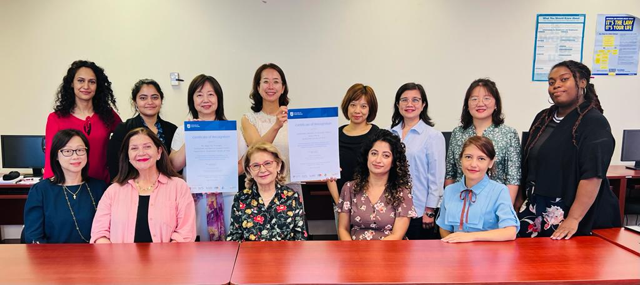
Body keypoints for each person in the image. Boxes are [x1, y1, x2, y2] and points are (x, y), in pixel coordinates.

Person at [517, 60, 621, 239]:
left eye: (563, 79)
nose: (556, 85)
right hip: (538, 205)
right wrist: (520, 201)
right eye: (551, 82)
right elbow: (528, 163)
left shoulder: (593, 122)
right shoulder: (543, 118)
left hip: (574, 213)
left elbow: (593, 175)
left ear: (582, 82)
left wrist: (573, 218)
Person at [169, 74, 244, 241]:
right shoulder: (182, 130)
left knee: (229, 247)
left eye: (211, 94)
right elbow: (174, 166)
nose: (205, 99)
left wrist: (222, 173)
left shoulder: (231, 130)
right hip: (195, 198)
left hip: (226, 197)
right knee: (197, 250)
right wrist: (193, 136)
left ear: (218, 98)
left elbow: (242, 165)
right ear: (192, 100)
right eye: (199, 94)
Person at [91, 128, 196, 243]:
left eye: (147, 147)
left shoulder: (179, 187)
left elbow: (185, 233)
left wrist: (165, 258)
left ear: (159, 152)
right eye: (134, 148)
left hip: (167, 260)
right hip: (121, 260)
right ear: (128, 156)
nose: (141, 153)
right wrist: (116, 258)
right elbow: (99, 233)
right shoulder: (113, 191)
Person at [24, 129, 107, 243]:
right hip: (54, 258)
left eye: (80, 150)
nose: (75, 156)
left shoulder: (100, 188)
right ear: (56, 156)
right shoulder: (40, 191)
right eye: (67, 151)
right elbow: (34, 237)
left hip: (93, 257)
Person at [45, 60, 121, 183]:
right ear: (71, 84)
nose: (86, 86)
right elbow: (50, 157)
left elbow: (125, 144)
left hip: (103, 186)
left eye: (92, 82)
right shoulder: (56, 118)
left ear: (98, 86)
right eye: (80, 81)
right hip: (69, 187)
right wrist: (50, 187)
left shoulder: (108, 115)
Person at [445, 79, 521, 203]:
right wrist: (449, 204)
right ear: (467, 105)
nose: (480, 103)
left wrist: (505, 210)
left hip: (494, 203)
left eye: (486, 98)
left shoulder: (509, 134)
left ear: (496, 104)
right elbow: (450, 173)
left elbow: (513, 178)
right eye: (474, 99)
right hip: (461, 201)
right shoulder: (458, 133)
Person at [337, 129, 416, 240]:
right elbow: (343, 229)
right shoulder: (350, 188)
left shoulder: (402, 192)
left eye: (386, 156)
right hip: (355, 252)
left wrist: (371, 255)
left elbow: (397, 235)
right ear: (367, 156)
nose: (378, 160)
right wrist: (353, 253)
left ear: (393, 162)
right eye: (374, 153)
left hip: (389, 252)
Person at [437, 136, 519, 242]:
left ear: (490, 163)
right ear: (460, 159)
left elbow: (510, 232)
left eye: (481, 159)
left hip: (489, 254)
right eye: (468, 157)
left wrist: (470, 237)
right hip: (456, 254)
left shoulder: (499, 191)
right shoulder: (450, 190)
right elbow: (444, 228)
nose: (473, 164)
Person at [390, 83, 445, 240]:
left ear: (423, 105)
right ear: (397, 104)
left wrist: (430, 210)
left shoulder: (433, 136)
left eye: (415, 100)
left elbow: (437, 176)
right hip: (389, 209)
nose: (409, 104)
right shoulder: (388, 133)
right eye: (404, 100)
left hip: (419, 210)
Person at [227, 142, 307, 241]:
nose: (262, 170)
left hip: (285, 256)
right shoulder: (241, 198)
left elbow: (300, 238)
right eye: (256, 165)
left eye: (267, 163)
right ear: (249, 170)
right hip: (250, 256)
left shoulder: (292, 197)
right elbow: (234, 239)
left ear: (278, 165)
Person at [241, 63, 301, 194]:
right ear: (258, 87)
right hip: (260, 188)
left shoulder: (296, 120)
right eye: (266, 82)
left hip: (292, 187)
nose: (271, 87)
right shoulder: (249, 119)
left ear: (283, 87)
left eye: (276, 82)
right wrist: (276, 125)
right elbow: (256, 151)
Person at [107, 79, 177, 181]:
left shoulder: (172, 129)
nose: (150, 102)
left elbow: (175, 166)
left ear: (161, 100)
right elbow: (115, 164)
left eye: (155, 97)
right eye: (143, 98)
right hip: (132, 187)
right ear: (135, 102)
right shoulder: (123, 129)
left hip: (166, 187)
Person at [326, 83, 380, 205]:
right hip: (340, 200)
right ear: (347, 106)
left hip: (372, 204)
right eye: (353, 105)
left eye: (363, 106)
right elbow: (330, 173)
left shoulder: (378, 135)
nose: (357, 111)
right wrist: (339, 203)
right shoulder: (335, 134)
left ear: (370, 108)